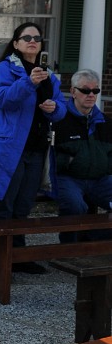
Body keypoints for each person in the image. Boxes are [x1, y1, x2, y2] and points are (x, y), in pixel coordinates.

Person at [0, 22, 66, 274]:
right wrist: (28, 83)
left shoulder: (48, 74)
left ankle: (18, 257)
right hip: (9, 150)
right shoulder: (4, 69)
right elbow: (1, 99)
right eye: (26, 37)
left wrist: (55, 108)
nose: (32, 40)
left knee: (23, 207)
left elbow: (62, 106)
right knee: (3, 205)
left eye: (37, 37)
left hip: (36, 150)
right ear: (16, 43)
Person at [53, 69, 112, 242]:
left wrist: (105, 167)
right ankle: (68, 248)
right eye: (85, 90)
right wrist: (71, 162)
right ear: (73, 91)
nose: (91, 95)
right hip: (69, 177)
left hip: (100, 179)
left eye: (95, 91)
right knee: (75, 206)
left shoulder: (105, 122)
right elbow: (49, 154)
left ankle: (92, 240)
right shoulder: (59, 119)